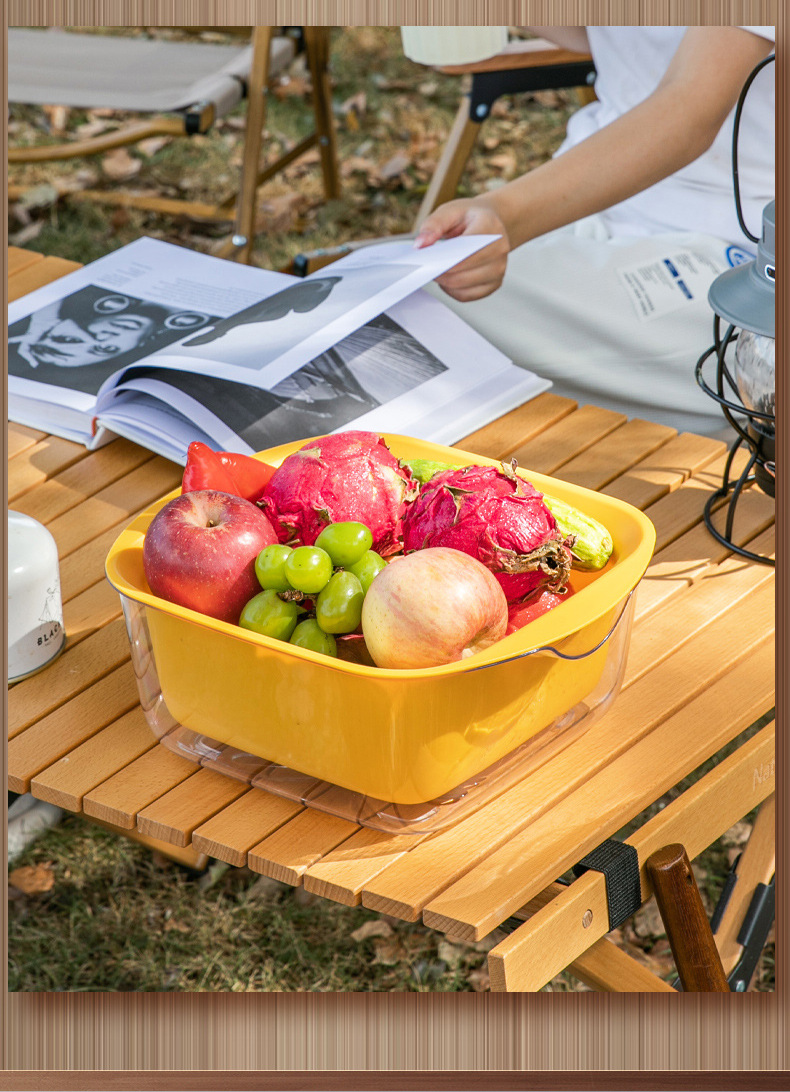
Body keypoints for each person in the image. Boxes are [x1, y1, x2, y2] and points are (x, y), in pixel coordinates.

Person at [415, 26, 775, 437]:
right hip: (585, 199)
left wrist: (506, 216)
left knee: (412, 322)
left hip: (732, 250)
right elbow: (602, 34)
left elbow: (691, 109)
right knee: (395, 303)